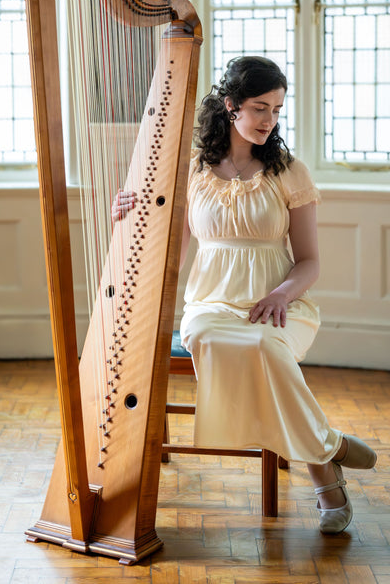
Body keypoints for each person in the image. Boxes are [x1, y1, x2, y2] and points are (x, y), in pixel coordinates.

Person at [112, 55, 376, 534]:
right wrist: (128, 214)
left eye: (276, 110)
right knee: (219, 341)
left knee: (265, 345)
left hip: (280, 303)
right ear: (231, 106)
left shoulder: (288, 171)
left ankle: (323, 474)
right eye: (259, 108)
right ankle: (328, 450)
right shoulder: (190, 170)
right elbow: (168, 253)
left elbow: (310, 262)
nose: (269, 120)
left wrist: (280, 295)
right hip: (210, 305)